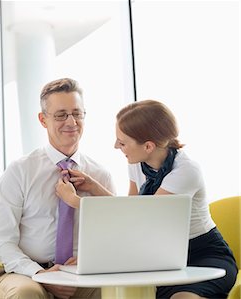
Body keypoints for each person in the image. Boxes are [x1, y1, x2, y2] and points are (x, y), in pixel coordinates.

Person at [56, 99, 238, 299]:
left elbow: (140, 220)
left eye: (123, 142)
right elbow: (132, 210)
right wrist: (93, 187)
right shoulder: (137, 162)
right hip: (162, 258)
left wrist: (75, 201)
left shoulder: (186, 171)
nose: (116, 146)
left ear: (149, 146)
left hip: (202, 255)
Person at [0, 78, 115, 299]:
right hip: (27, 273)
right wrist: (40, 274)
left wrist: (92, 260)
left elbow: (115, 235)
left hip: (81, 274)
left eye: (77, 113)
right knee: (25, 294)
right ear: (43, 119)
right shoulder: (20, 171)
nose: (71, 122)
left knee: (120, 291)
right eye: (61, 115)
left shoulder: (99, 175)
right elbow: (2, 243)